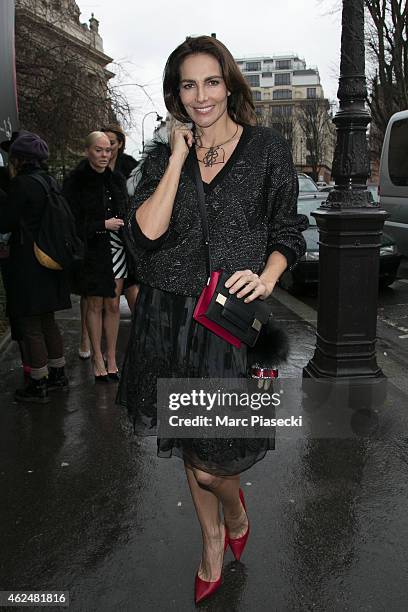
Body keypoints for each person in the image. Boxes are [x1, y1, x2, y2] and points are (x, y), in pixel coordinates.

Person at [117, 35, 308, 603]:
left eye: (211, 82)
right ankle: (211, 541)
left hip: (226, 323)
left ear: (229, 85)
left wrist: (269, 277)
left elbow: (286, 232)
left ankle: (233, 511)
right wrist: (177, 158)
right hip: (167, 317)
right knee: (190, 447)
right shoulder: (161, 158)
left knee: (210, 465)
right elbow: (146, 233)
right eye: (188, 85)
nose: (201, 96)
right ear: (177, 94)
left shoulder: (267, 150)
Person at [0, 132, 71, 402]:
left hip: (28, 264)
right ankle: (58, 373)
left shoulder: (21, 185)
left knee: (30, 325)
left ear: (19, 159)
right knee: (48, 322)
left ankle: (38, 383)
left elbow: (6, 222)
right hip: (50, 261)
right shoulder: (50, 182)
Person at [63, 131, 129, 381]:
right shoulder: (75, 181)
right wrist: (102, 224)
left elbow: (125, 212)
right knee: (95, 304)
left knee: (113, 304)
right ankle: (97, 358)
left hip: (117, 249)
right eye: (99, 150)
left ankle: (112, 358)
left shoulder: (116, 180)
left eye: (108, 150)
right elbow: (70, 223)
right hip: (92, 252)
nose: (105, 155)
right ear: (87, 151)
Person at [100, 124, 139, 313]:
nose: (107, 146)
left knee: (131, 285)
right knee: (94, 296)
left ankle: (142, 334)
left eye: (112, 142)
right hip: (100, 236)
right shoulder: (93, 166)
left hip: (126, 237)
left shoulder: (131, 167)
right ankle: (87, 341)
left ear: (120, 143)